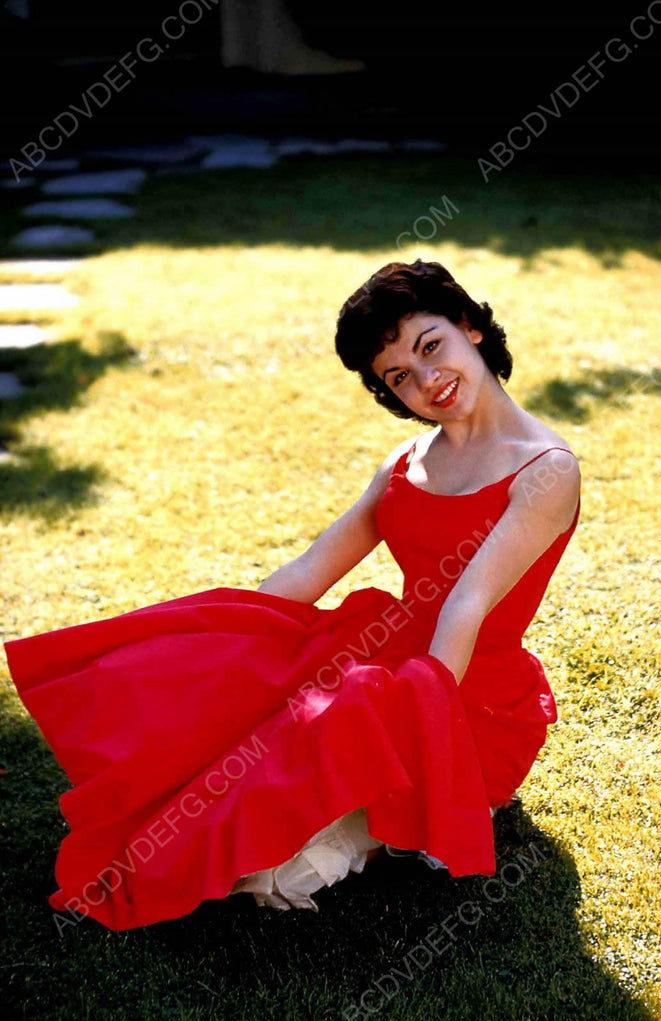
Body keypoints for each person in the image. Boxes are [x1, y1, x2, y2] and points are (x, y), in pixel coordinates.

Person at [3, 259, 581, 931]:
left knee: (273, 868)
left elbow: (466, 605)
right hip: (376, 652)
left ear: (469, 326)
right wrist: (221, 642)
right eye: (399, 375)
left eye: (431, 347)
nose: (426, 380)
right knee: (234, 736)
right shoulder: (406, 461)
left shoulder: (546, 470)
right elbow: (311, 570)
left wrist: (418, 725)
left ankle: (406, 809)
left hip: (463, 694)